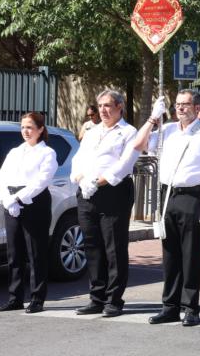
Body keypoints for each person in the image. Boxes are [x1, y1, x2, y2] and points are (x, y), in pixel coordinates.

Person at [132, 90, 200, 327]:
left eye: (186, 104)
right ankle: (170, 306)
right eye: (177, 104)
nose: (181, 108)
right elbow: (139, 145)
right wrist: (153, 118)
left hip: (194, 196)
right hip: (168, 195)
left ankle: (191, 306)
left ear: (197, 107)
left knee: (192, 254)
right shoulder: (168, 130)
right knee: (170, 254)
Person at [71, 89, 140, 317]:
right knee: (92, 246)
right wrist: (81, 179)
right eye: (100, 106)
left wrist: (99, 182)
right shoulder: (92, 131)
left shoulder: (128, 132)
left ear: (120, 106)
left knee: (114, 247)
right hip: (87, 192)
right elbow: (78, 158)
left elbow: (124, 164)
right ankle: (96, 297)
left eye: (108, 105)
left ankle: (114, 299)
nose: (103, 110)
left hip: (113, 192)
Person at [0, 112, 59, 314]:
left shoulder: (47, 153)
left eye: (30, 127)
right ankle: (15, 297)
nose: (26, 131)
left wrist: (18, 198)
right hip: (11, 203)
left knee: (36, 253)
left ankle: (37, 298)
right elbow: (2, 176)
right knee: (14, 253)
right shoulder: (15, 152)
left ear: (40, 129)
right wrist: (6, 199)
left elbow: (42, 181)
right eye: (23, 127)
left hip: (34, 202)